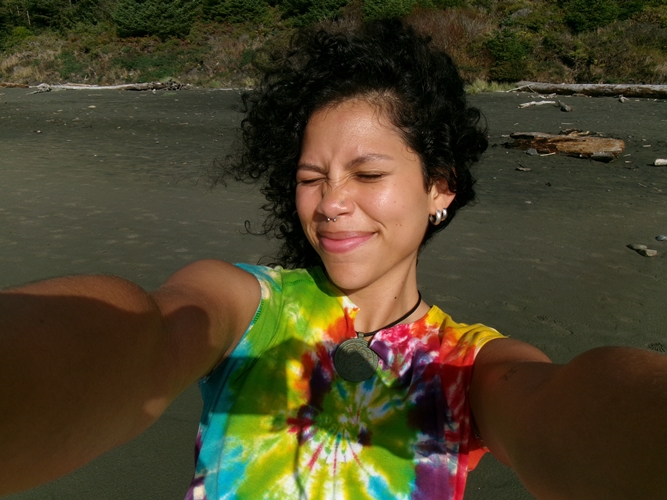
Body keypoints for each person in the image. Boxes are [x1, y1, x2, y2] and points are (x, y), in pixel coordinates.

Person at [1, 19, 666, 500]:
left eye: (367, 173)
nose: (331, 203)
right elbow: (146, 333)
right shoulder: (243, 305)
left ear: (439, 186)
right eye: (310, 177)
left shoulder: (472, 368)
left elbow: (566, 409)